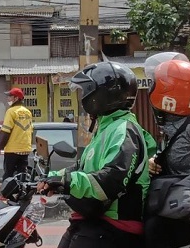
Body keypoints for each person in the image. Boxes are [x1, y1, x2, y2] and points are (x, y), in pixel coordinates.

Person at [37, 61, 156, 248]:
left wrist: (67, 181)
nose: (84, 97)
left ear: (102, 94)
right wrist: (52, 178)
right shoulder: (105, 128)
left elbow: (113, 178)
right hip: (92, 219)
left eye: (87, 91)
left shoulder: (124, 129)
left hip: (115, 227)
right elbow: (82, 167)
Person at [143, 58, 190, 248]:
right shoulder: (172, 126)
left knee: (154, 228)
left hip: (186, 211)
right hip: (177, 204)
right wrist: (152, 161)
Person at [0, 88, 33, 181]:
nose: (8, 99)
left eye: (10, 96)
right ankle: (22, 194)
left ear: (16, 98)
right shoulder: (28, 112)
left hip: (13, 149)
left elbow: (6, 130)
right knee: (22, 174)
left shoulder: (11, 111)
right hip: (25, 149)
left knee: (8, 174)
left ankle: (4, 194)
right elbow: (30, 130)